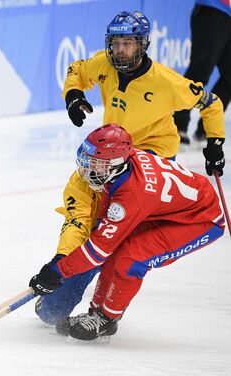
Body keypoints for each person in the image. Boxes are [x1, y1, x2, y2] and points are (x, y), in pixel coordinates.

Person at [34, 10, 226, 330]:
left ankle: (88, 305)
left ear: (143, 45)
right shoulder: (105, 64)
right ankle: (63, 277)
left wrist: (216, 142)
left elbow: (212, 102)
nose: (121, 50)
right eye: (117, 43)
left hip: (149, 156)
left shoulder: (167, 82)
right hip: (108, 150)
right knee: (83, 203)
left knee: (111, 232)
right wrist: (74, 95)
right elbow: (77, 70)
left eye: (129, 43)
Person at [30, 124, 225, 341]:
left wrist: (57, 270)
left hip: (200, 219)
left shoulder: (132, 192)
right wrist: (61, 264)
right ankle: (96, 313)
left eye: (96, 163)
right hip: (168, 211)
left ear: (114, 164)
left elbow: (98, 251)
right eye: (88, 160)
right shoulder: (120, 167)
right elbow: (94, 235)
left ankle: (106, 319)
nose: (87, 168)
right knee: (116, 248)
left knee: (132, 258)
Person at [174, 1, 230, 145]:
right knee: (200, 72)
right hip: (213, 9)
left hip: (227, 15)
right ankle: (177, 126)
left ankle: (207, 130)